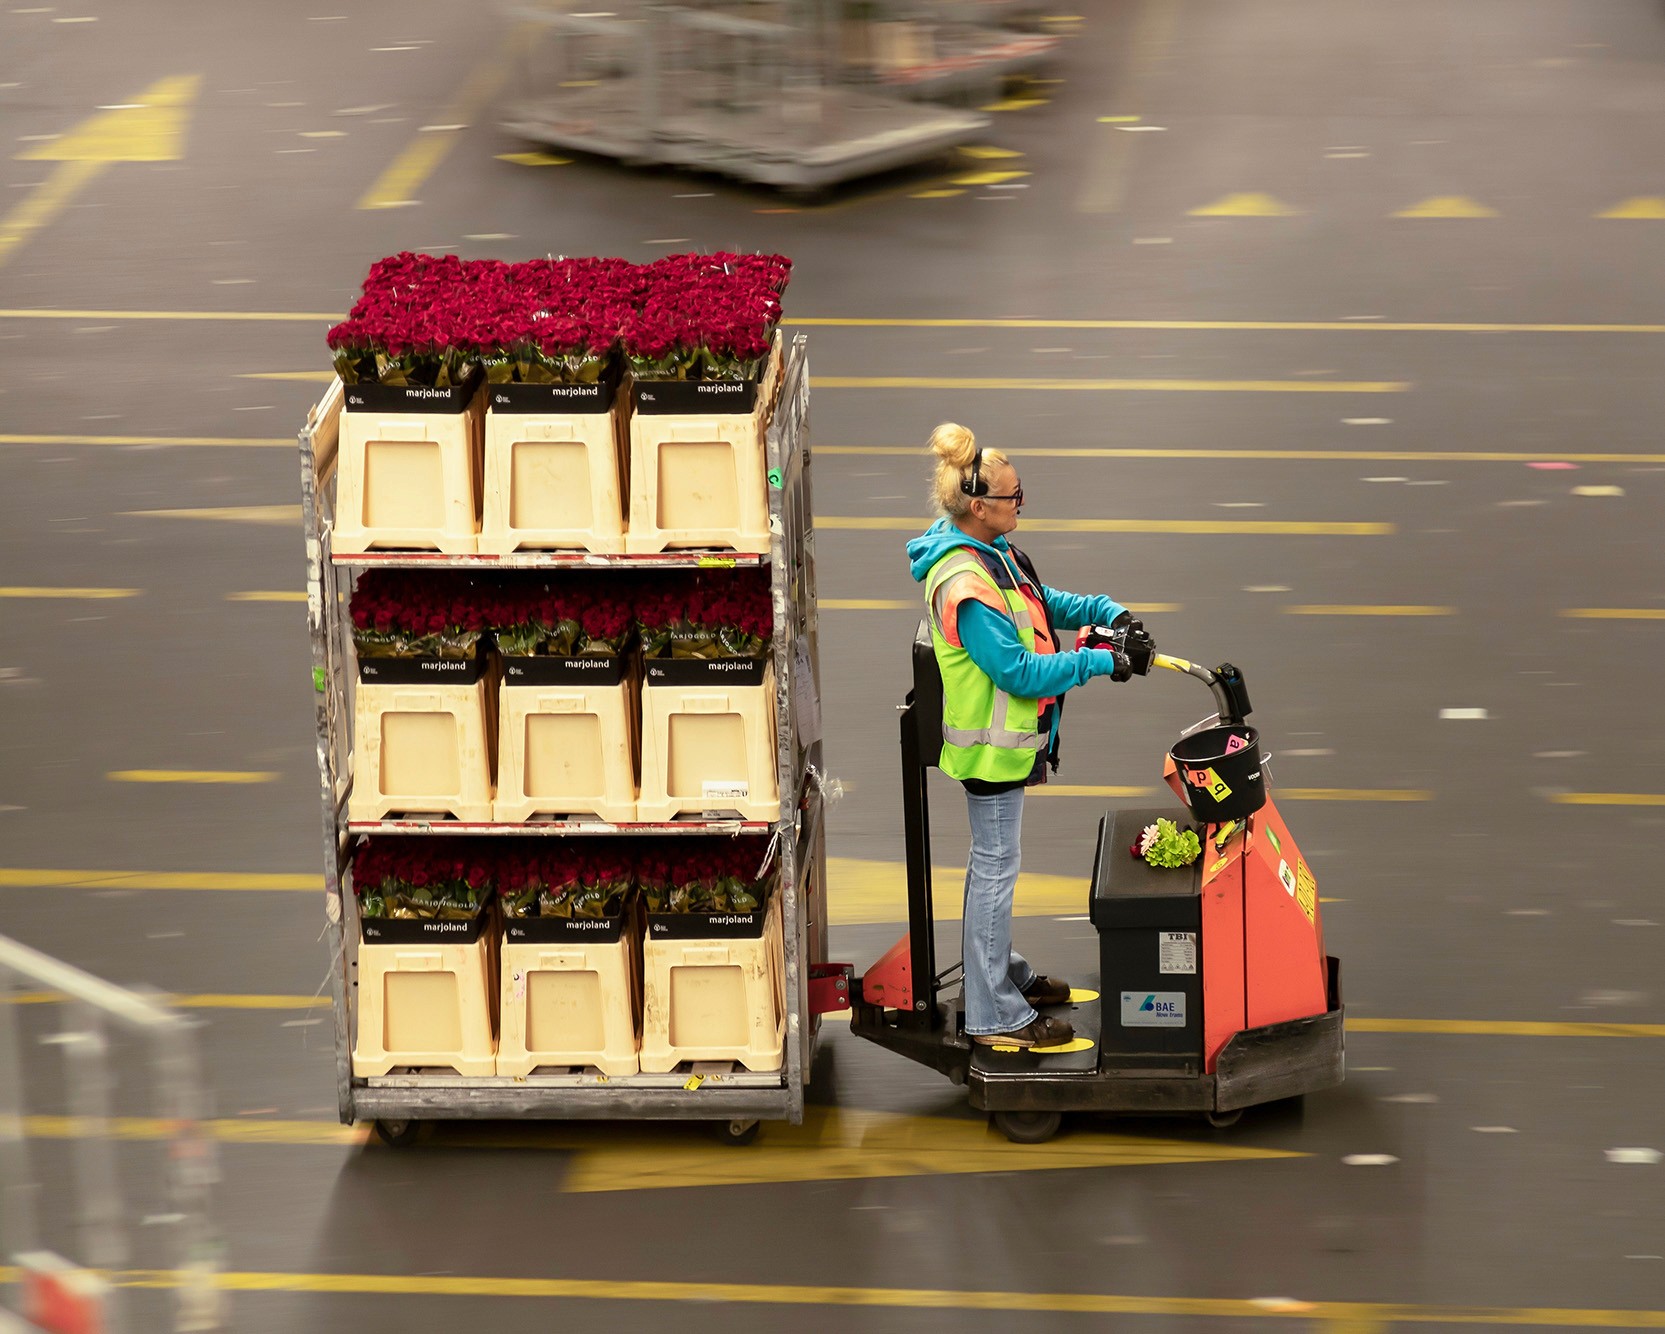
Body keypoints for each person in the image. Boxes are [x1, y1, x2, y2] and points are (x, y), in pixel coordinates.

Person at [906, 423, 1150, 1049]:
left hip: (1005, 747)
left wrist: (1105, 612)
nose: (1021, 504)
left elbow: (1042, 602)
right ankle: (995, 1014)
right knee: (994, 869)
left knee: (993, 867)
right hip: (991, 753)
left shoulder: (992, 553)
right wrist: (1100, 661)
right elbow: (1017, 671)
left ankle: (1002, 977)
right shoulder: (967, 586)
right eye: (1015, 497)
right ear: (979, 505)